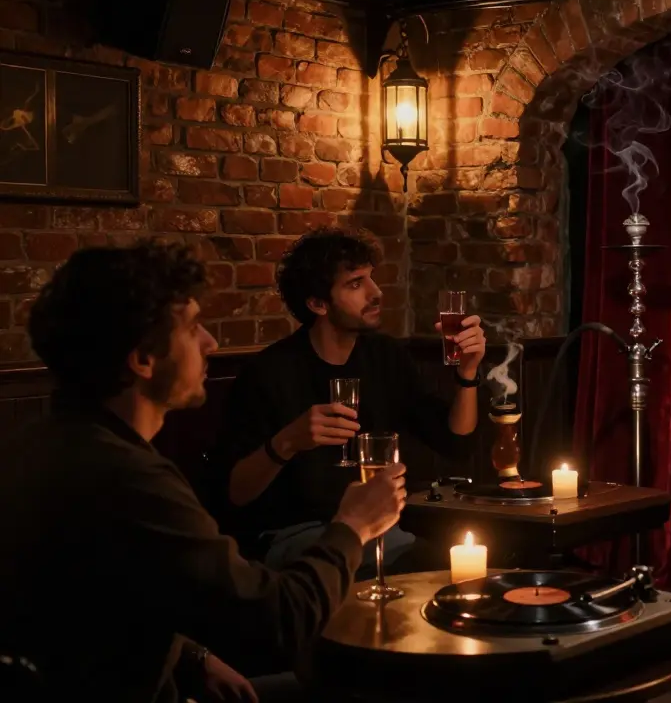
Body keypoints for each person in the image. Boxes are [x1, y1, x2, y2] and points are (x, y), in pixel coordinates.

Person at [0, 240, 406, 702]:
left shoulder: (40, 444)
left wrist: (192, 657)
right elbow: (280, 622)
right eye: (193, 327)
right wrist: (353, 525)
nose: (211, 342)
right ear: (143, 359)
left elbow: (106, 604)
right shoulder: (129, 480)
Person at [212, 227, 485, 573]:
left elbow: (455, 443)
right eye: (355, 284)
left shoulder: (385, 357)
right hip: (296, 540)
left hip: (381, 532)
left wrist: (467, 373)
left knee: (458, 572)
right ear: (317, 304)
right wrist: (288, 441)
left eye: (371, 278)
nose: (376, 292)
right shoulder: (270, 372)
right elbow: (235, 493)